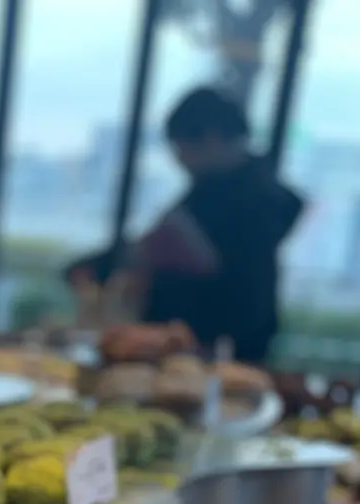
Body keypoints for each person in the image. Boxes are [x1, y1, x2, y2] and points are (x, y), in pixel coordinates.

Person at [70, 87, 303, 363]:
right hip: (208, 343)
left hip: (207, 348)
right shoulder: (233, 191)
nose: (180, 161)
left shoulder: (241, 200)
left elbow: (233, 291)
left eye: (181, 149)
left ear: (211, 138)